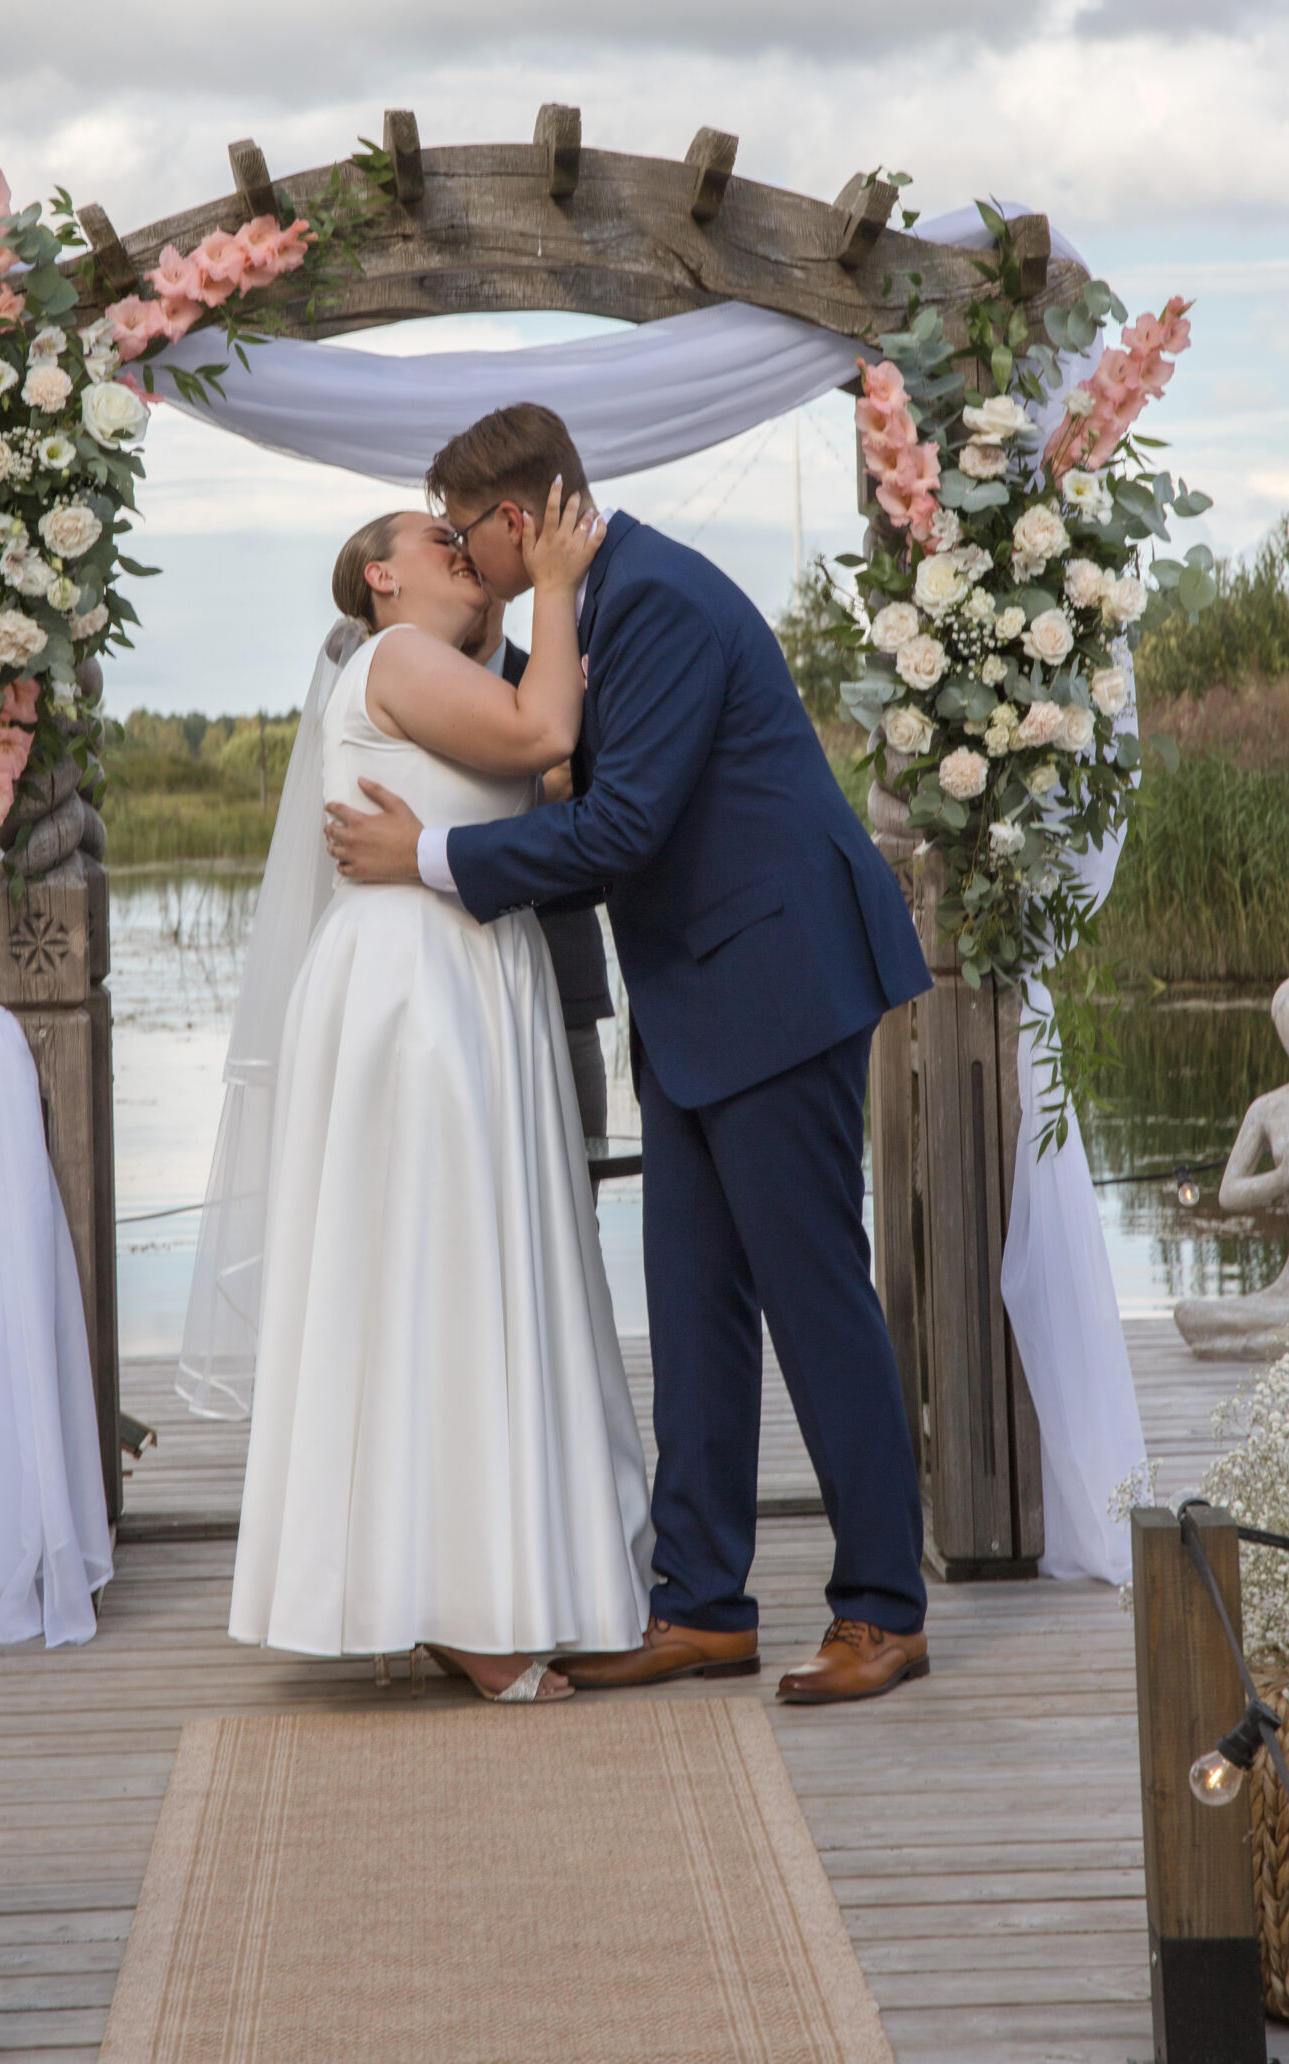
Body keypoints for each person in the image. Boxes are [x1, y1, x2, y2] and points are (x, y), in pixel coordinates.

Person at [324, 404, 935, 1705]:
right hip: (697, 998)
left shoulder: (651, 600)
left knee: (813, 1297)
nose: (464, 563)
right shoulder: (588, 611)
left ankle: (882, 1608)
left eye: (464, 536)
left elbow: (621, 832)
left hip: (776, 981)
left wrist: (423, 856)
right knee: (693, 1301)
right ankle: (701, 1605)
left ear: (515, 520)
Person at [229, 489, 652, 1704]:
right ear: (381, 577)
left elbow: (547, 782)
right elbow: (540, 732)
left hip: (477, 978)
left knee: (472, 1277)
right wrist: (555, 579)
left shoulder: (451, 670)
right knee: (438, 1277)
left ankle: (470, 1577)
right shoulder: (397, 656)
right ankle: (462, 1607)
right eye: (434, 538)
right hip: (414, 994)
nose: (458, 547)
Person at [466, 592, 614, 1142]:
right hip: (449, 992)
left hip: (563, 978)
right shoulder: (412, 691)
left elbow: (604, 820)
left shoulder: (557, 685)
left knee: (579, 1175)